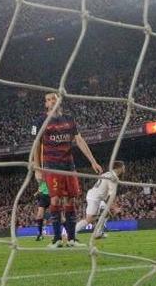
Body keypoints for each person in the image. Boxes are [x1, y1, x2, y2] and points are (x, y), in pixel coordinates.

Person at [31, 92, 102, 248]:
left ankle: (71, 238)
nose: (51, 101)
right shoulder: (40, 121)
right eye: (48, 100)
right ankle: (56, 239)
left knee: (70, 200)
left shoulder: (69, 119)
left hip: (69, 166)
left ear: (59, 100)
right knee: (55, 200)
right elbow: (36, 145)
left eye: (53, 98)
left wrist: (93, 161)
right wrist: (37, 168)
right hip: (51, 165)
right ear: (46, 104)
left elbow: (79, 140)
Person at [78, 160, 125, 239]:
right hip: (95, 198)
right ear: (119, 168)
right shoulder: (113, 177)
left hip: (98, 197)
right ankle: (71, 234)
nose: (124, 169)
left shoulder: (107, 174)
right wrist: (114, 208)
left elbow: (106, 195)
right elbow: (110, 196)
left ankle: (98, 232)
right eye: (123, 167)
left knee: (106, 213)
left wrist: (112, 207)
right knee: (89, 219)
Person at [32, 177, 51, 241]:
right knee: (39, 216)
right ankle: (40, 235)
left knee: (60, 216)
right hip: (43, 196)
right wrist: (37, 192)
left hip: (49, 195)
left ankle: (70, 235)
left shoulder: (45, 173)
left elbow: (41, 179)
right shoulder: (41, 181)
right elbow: (41, 185)